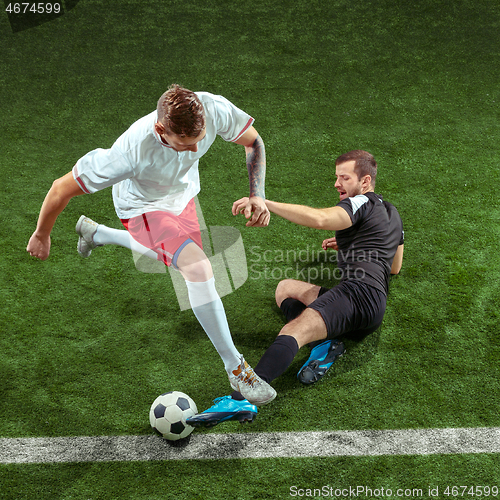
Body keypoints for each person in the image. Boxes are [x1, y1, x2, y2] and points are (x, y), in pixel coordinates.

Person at [26, 84, 276, 405]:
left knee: (182, 265)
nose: (193, 150)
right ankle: (236, 368)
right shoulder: (129, 153)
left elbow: (253, 141)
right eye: (183, 145)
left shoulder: (210, 108)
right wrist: (41, 234)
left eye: (198, 142)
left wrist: (258, 195)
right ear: (161, 129)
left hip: (183, 197)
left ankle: (98, 234)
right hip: (142, 208)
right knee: (198, 268)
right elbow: (60, 188)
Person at [187, 150, 404, 427]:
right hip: (374, 308)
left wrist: (264, 202)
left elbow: (321, 219)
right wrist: (352, 243)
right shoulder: (392, 213)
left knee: (293, 331)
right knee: (285, 288)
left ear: (365, 182)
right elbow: (394, 265)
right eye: (336, 177)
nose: (336, 184)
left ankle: (241, 399)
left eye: (344, 178)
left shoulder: (360, 201)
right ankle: (326, 345)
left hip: (356, 295)